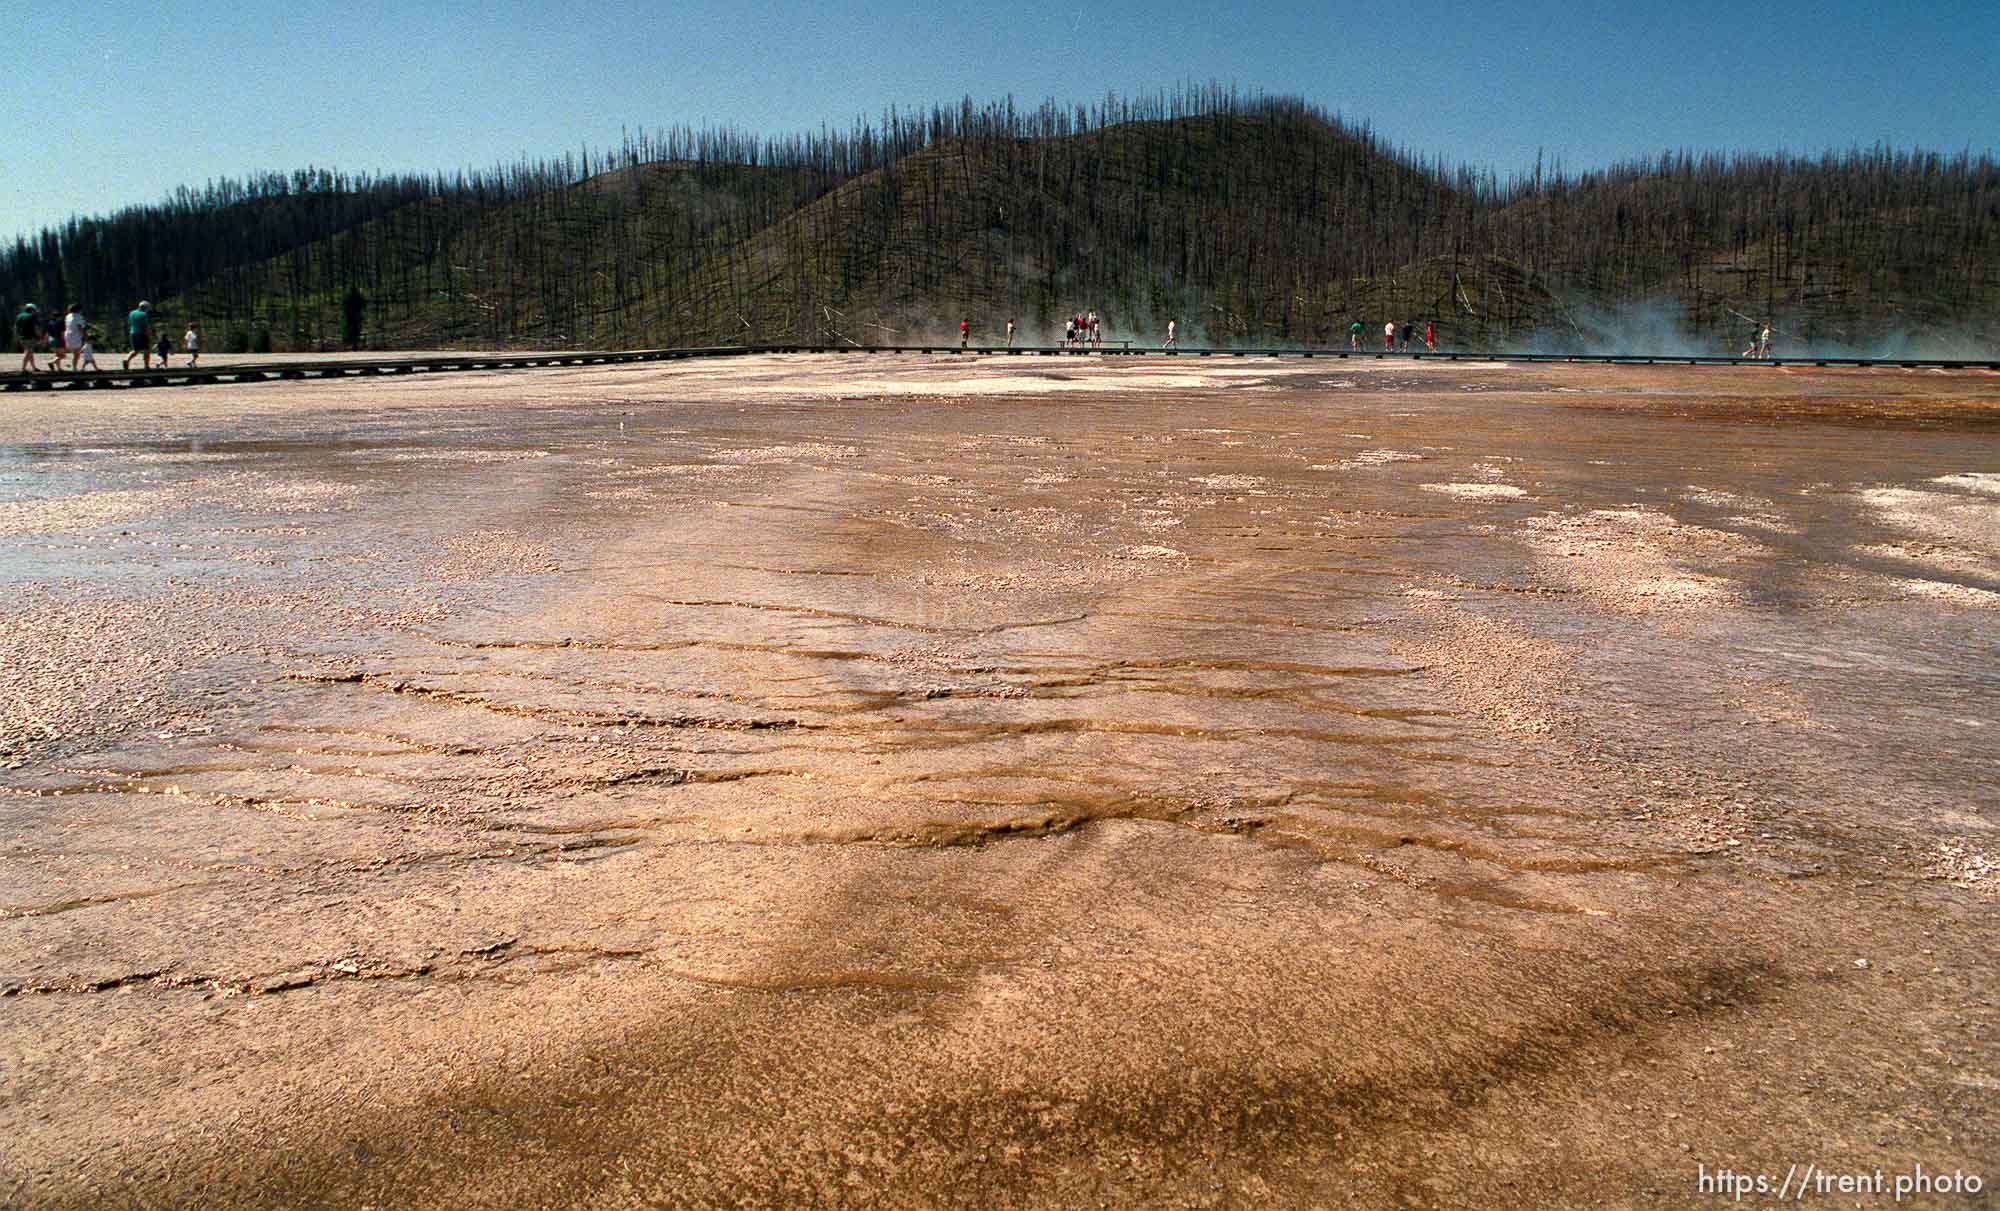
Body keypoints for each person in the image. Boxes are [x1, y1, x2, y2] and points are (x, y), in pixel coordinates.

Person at [15, 303, 45, 372]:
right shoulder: (31, 316)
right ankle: (23, 369)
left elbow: (16, 327)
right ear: (32, 310)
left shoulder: (19, 316)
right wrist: (40, 336)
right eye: (34, 310)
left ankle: (34, 367)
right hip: (30, 337)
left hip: (22, 337)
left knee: (30, 352)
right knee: (28, 352)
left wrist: (17, 337)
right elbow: (35, 328)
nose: (35, 312)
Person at [123, 301, 153, 369]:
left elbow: (129, 323)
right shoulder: (144, 314)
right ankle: (146, 366)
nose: (148, 309)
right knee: (146, 350)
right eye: (148, 308)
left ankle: (126, 360)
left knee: (136, 350)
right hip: (142, 334)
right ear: (145, 307)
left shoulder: (132, 313)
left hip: (133, 333)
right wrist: (148, 335)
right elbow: (145, 326)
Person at [64, 305, 86, 371]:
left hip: (67, 334)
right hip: (75, 335)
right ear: (78, 310)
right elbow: (80, 327)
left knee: (74, 352)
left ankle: (73, 366)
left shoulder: (68, 316)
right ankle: (74, 368)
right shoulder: (79, 316)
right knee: (77, 353)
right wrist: (85, 335)